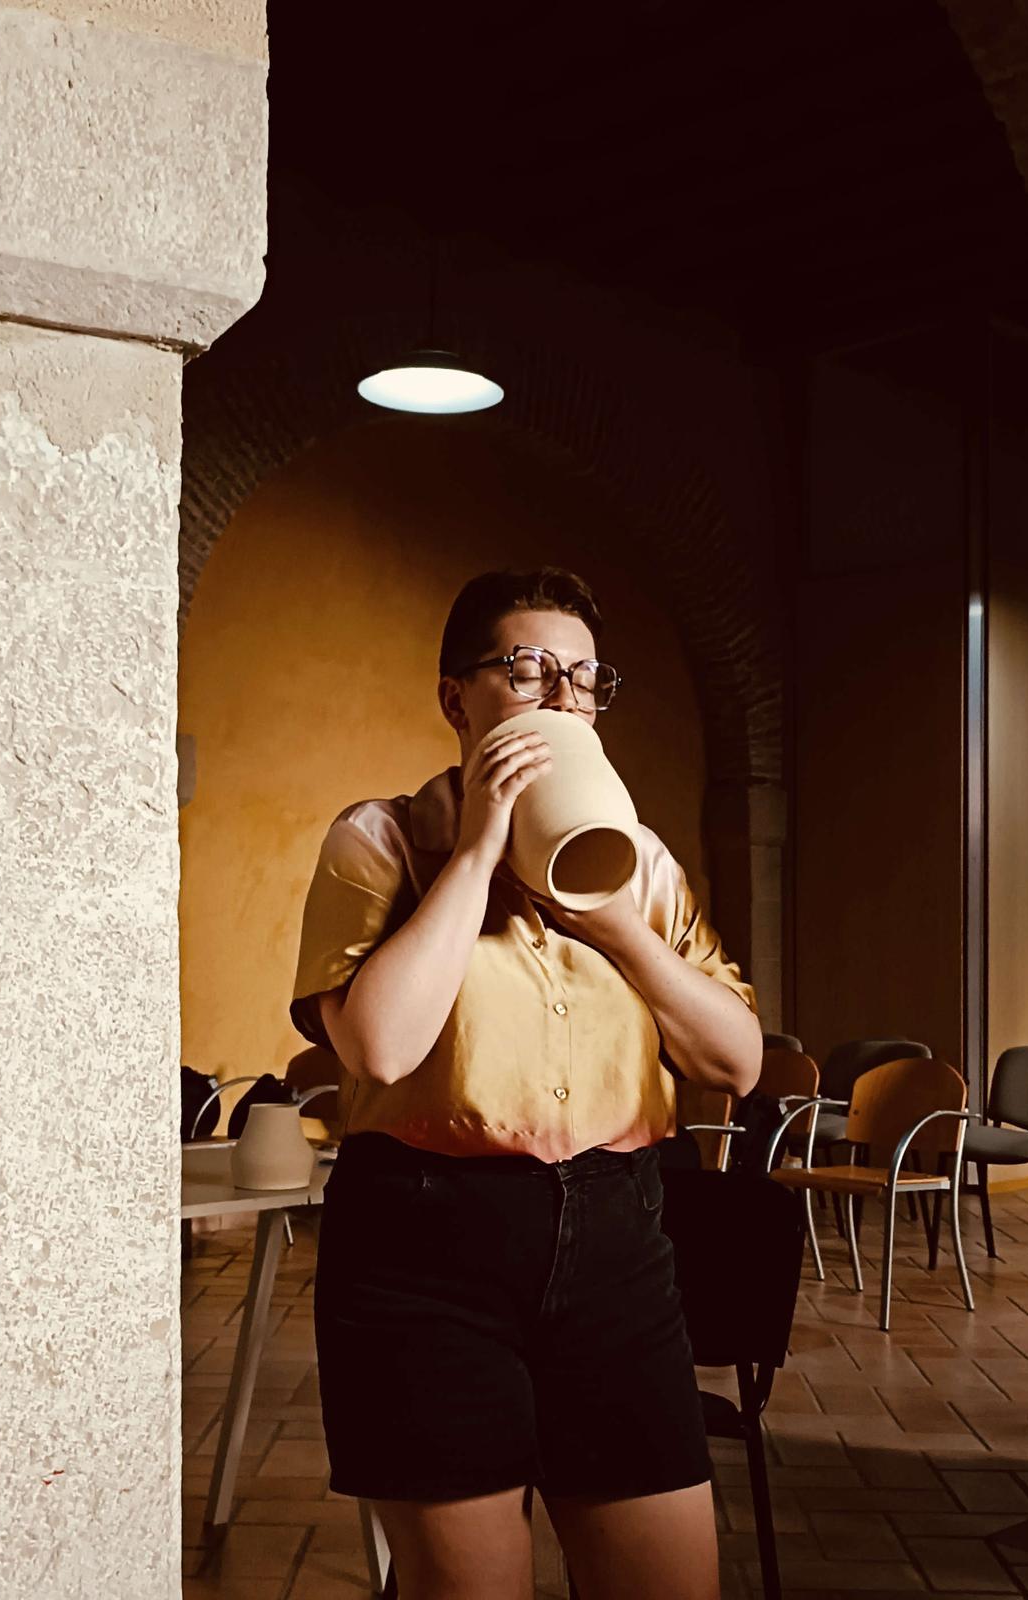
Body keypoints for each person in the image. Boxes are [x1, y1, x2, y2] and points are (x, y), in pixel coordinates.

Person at [292, 567, 761, 1600]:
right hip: (424, 1254)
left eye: (584, 680)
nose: (562, 698)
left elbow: (735, 1063)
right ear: (456, 699)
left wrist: (619, 926)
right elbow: (378, 1048)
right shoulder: (380, 839)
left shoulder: (643, 866)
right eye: (529, 669)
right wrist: (476, 852)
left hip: (616, 1244)